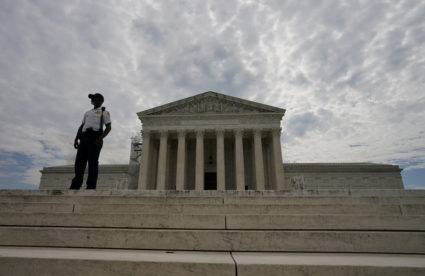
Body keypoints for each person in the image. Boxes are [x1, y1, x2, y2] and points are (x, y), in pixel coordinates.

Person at [70, 93, 111, 189]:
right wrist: (76, 138)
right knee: (79, 163)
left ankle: (91, 186)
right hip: (84, 137)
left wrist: (100, 138)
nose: (92, 100)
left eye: (95, 98)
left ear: (101, 101)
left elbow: (108, 127)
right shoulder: (87, 113)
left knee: (92, 163)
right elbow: (82, 126)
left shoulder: (104, 112)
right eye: (92, 99)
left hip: (95, 137)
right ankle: (75, 185)